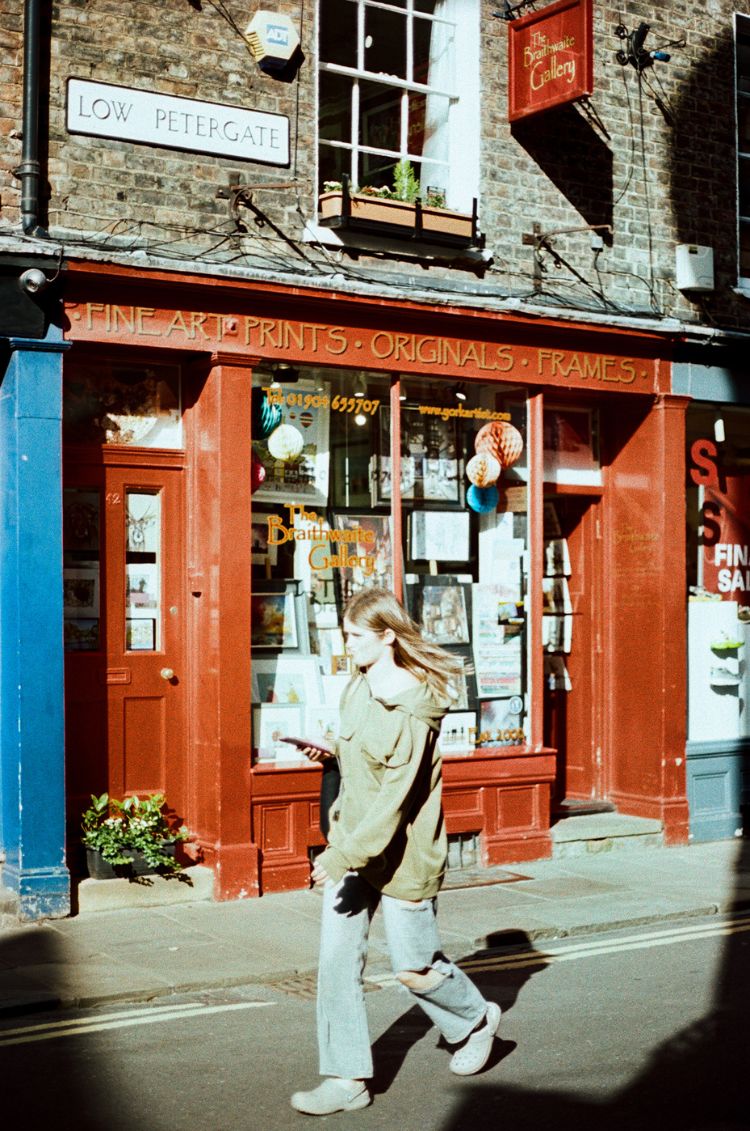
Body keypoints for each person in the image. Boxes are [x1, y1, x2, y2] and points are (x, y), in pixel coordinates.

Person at [291, 587, 501, 1117]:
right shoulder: (358, 683)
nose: (348, 646)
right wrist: (332, 750)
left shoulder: (414, 708)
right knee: (337, 963)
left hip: (403, 854)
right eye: (345, 635)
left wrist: (340, 856)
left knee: (413, 969)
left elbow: (395, 799)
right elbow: (362, 753)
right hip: (354, 841)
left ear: (387, 635)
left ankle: (475, 1019)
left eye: (356, 636)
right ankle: (347, 1080)